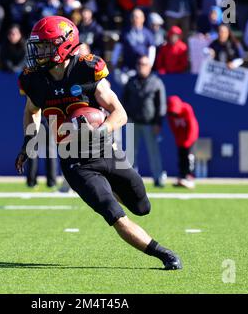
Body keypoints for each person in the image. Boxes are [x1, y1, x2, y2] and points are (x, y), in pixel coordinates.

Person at [16, 15, 182, 270]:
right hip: (75, 161)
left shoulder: (86, 69)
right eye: (38, 46)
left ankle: (111, 188)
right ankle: (164, 254)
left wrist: (100, 130)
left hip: (105, 150)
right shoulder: (35, 79)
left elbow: (121, 113)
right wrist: (29, 140)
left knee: (142, 206)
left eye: (46, 46)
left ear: (64, 45)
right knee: (113, 213)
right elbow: (31, 110)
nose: (39, 52)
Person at [122, 55, 167, 188]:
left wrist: (158, 122)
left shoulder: (156, 82)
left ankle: (158, 178)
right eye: (140, 64)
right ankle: (130, 180)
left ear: (150, 66)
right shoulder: (131, 81)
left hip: (150, 122)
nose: (142, 66)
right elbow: (124, 100)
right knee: (130, 153)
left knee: (154, 152)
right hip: (132, 121)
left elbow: (161, 104)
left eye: (145, 64)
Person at [167, 95, 199, 189]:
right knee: (181, 158)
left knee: (189, 157)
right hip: (181, 138)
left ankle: (190, 178)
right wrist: (179, 140)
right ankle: (182, 177)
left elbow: (192, 126)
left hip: (191, 137)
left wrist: (188, 141)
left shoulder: (187, 109)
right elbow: (173, 128)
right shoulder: (170, 114)